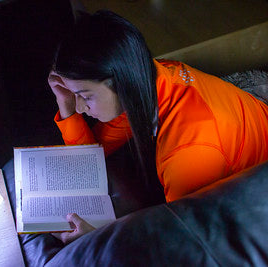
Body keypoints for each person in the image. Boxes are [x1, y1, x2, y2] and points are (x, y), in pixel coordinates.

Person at [47, 10, 268, 244]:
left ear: (120, 84)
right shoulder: (150, 77)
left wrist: (97, 239)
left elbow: (182, 243)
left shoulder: (185, 155)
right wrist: (66, 104)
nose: (80, 107)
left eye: (85, 96)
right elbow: (91, 156)